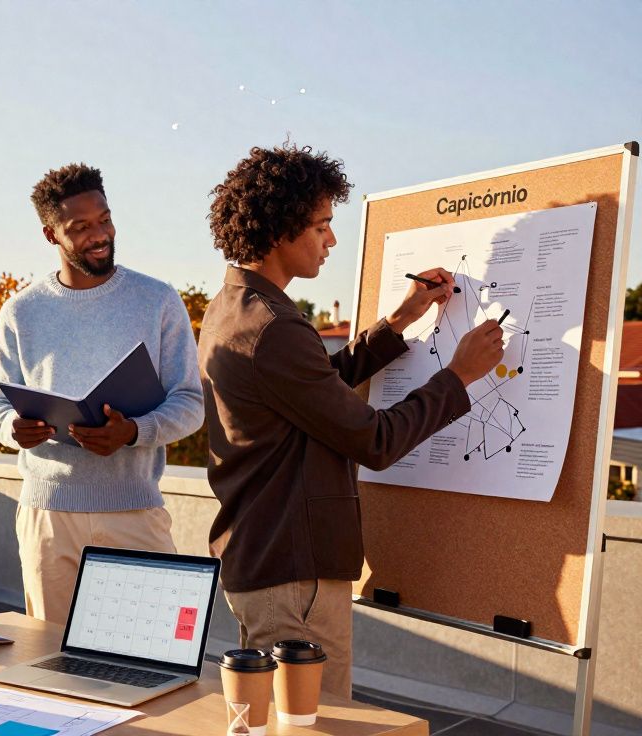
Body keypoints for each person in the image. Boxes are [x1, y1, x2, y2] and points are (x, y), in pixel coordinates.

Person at [197, 144, 505, 697]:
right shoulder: (274, 326)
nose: (331, 240)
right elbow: (376, 440)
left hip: (266, 559)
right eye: (321, 225)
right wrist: (458, 375)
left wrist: (399, 321)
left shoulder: (232, 307)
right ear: (279, 229)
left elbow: (310, 388)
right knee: (315, 724)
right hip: (293, 574)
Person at [0, 163, 205, 624]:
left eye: (104, 219)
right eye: (80, 227)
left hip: (133, 511)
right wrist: (13, 428)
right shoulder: (22, 311)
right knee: (52, 664)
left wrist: (135, 431)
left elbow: (190, 403)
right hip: (47, 514)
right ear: (51, 235)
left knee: (149, 659)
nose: (99, 234)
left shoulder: (157, 300)